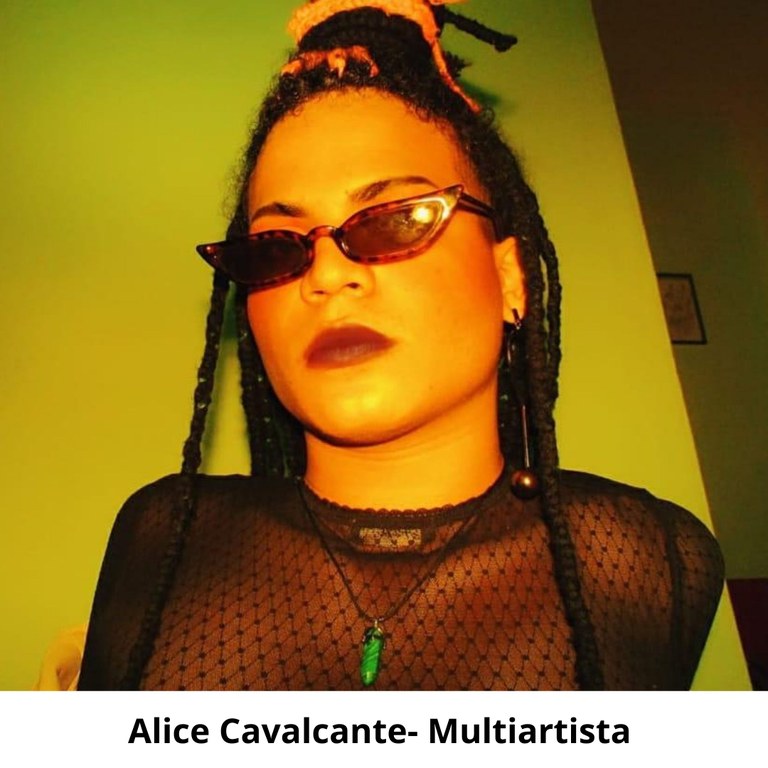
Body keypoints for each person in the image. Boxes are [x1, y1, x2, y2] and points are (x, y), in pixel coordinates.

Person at [68, 0, 723, 690]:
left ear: (510, 277)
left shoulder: (650, 563)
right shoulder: (163, 540)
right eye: (277, 245)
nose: (327, 275)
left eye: (396, 218)